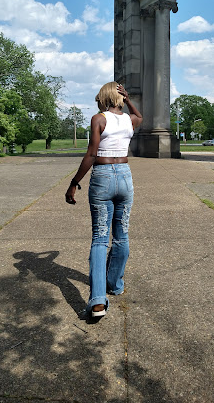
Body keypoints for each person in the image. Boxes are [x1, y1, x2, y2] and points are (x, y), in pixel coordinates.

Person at [65, 82, 143, 318]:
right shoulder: (130, 121)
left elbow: (91, 153)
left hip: (103, 177)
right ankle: (115, 285)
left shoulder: (99, 119)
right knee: (122, 235)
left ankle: (98, 300)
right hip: (125, 177)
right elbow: (139, 115)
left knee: (100, 238)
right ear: (119, 97)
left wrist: (74, 182)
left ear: (104, 98)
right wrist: (128, 99)